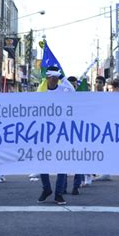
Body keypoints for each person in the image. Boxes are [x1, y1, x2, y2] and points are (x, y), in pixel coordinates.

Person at [37, 66, 73, 205]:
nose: (54, 80)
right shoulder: (41, 90)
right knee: (42, 162)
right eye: (52, 77)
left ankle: (58, 193)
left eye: (57, 77)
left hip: (61, 132)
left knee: (62, 163)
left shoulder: (63, 90)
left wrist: (64, 77)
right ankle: (46, 189)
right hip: (44, 132)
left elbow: (72, 91)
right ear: (48, 77)